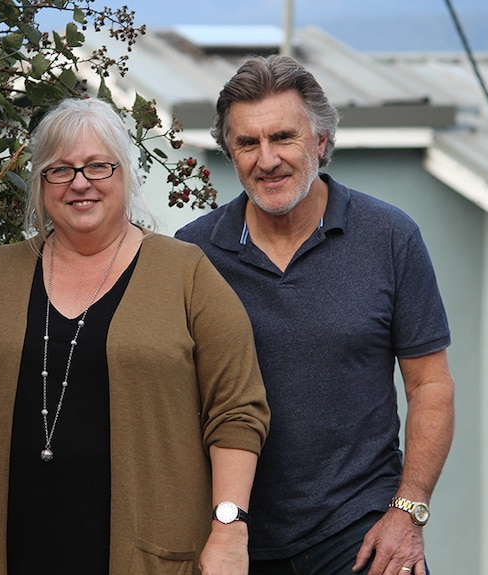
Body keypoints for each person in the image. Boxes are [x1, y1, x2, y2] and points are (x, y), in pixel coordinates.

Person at [0, 97, 270, 575]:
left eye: (97, 166)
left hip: (147, 555)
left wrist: (229, 530)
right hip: (13, 547)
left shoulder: (186, 274)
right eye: (60, 170)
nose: (80, 182)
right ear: (40, 184)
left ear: (124, 173)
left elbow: (237, 411)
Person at [174, 55, 455, 575]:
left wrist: (409, 511)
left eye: (283, 137)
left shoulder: (390, 238)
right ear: (230, 154)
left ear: (320, 141)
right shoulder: (192, 255)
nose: (267, 159)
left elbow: (429, 386)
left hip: (363, 532)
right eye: (247, 143)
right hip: (235, 534)